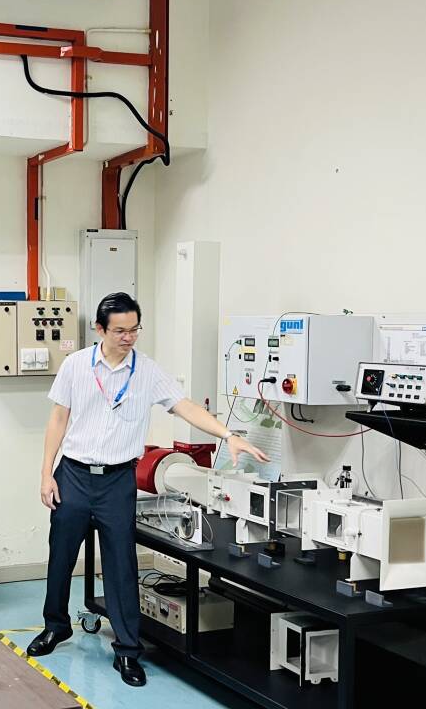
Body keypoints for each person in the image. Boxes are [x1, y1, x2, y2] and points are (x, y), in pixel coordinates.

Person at [27, 292, 270, 688]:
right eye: (120, 330)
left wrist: (228, 435)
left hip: (117, 480)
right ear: (100, 329)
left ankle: (126, 649)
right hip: (73, 474)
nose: (128, 337)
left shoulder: (147, 371)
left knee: (122, 565)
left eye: (134, 329)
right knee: (61, 555)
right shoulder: (75, 366)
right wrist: (45, 473)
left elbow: (185, 406)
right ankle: (56, 625)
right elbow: (58, 419)